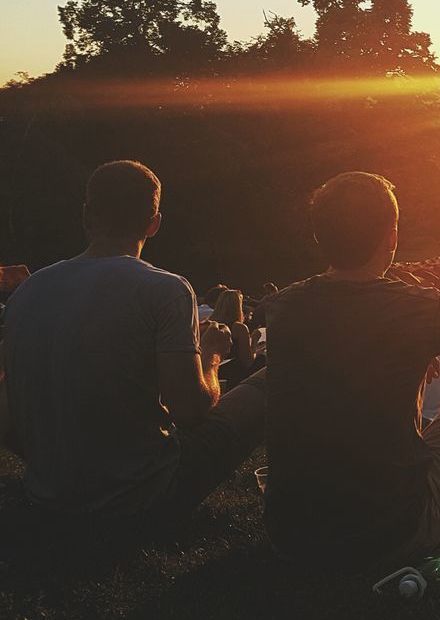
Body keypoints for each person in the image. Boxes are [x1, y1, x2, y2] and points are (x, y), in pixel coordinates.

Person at [262, 172, 440, 570]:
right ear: (391, 236)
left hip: (290, 535)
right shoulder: (423, 306)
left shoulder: (283, 306)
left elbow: (348, 334)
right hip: (391, 534)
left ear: (319, 237)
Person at [0, 160, 263, 516]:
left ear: (86, 215)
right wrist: (212, 355)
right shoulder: (165, 289)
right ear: (154, 224)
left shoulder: (28, 292)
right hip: (142, 493)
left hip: (48, 492)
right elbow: (188, 411)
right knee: (271, 381)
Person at [209, 288, 259, 386]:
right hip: (233, 377)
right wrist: (254, 341)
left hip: (213, 374)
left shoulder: (209, 325)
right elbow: (248, 363)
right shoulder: (239, 328)